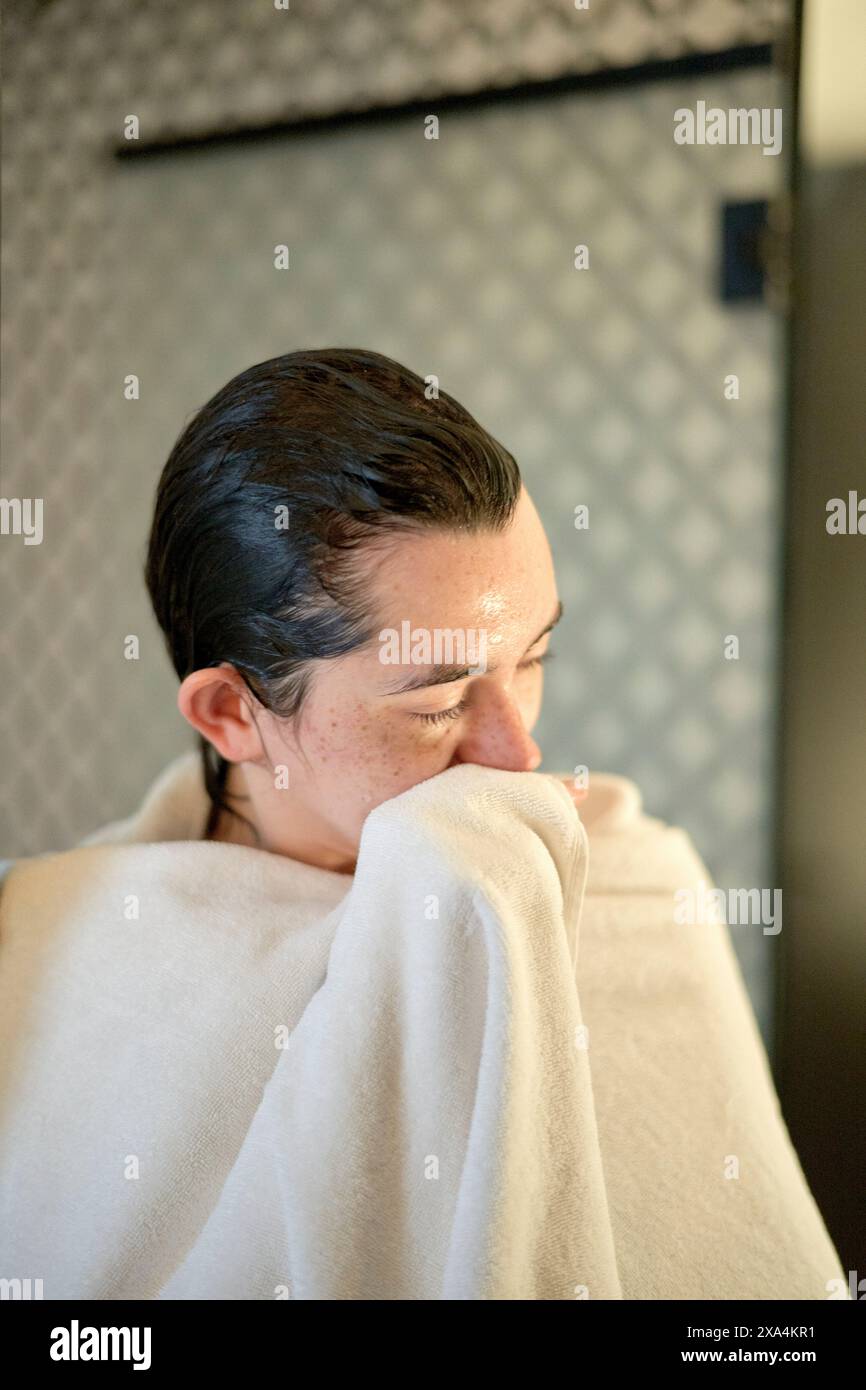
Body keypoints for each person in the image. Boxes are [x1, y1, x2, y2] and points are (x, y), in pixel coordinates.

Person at [0, 348, 848, 1300]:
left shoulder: (638, 881)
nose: (518, 755)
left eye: (534, 657)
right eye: (437, 699)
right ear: (233, 715)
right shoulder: (48, 952)